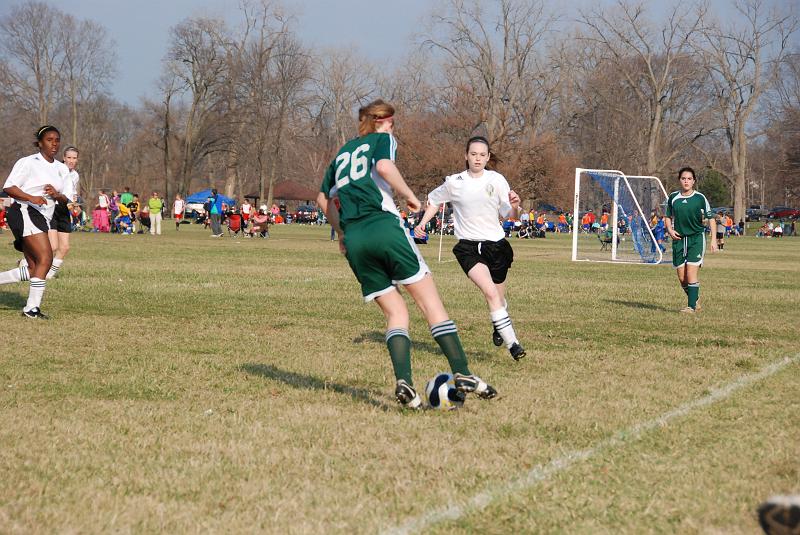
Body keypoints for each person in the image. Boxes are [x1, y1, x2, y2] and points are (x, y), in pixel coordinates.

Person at [317, 99, 496, 408]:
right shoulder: (382, 139)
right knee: (430, 305)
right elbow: (385, 167)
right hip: (384, 227)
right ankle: (463, 373)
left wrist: (342, 234)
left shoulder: (341, 155)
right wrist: (411, 196)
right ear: (379, 122)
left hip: (357, 240)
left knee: (396, 313)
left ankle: (404, 381)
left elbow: (322, 198)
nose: (393, 127)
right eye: (390, 122)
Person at [415, 136, 526, 361]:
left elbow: (510, 216)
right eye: (473, 154)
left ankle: (499, 324)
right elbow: (435, 200)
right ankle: (513, 344)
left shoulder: (496, 180)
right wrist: (422, 223)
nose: (477, 158)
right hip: (468, 247)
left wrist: (515, 206)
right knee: (490, 292)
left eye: (482, 155)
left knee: (498, 299)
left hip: (496, 247)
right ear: (466, 156)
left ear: (487, 157)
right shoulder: (455, 182)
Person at [0, 125, 74, 318]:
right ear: (39, 143)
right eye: (49, 140)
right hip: (24, 211)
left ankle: (30, 307)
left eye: (57, 140)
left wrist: (57, 195)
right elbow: (8, 187)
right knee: (46, 259)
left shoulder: (61, 168)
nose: (54, 144)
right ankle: (31, 309)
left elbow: (67, 199)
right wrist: (31, 198)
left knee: (34, 268)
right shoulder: (28, 162)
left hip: (43, 217)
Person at [665, 167, 717, 313]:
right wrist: (669, 229)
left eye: (689, 179)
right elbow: (667, 216)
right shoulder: (673, 197)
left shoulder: (700, 198)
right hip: (679, 240)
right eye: (683, 178)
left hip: (696, 239)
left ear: (693, 181)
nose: (686, 181)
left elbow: (711, 218)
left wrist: (713, 240)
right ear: (680, 180)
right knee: (682, 278)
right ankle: (695, 300)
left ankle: (691, 307)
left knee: (690, 274)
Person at [43, 145, 80, 279]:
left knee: (64, 248)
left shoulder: (75, 175)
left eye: (74, 158)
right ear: (64, 158)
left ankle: (49, 275)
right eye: (69, 157)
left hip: (64, 210)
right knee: (52, 246)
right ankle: (27, 263)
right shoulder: (56, 169)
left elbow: (72, 194)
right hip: (52, 208)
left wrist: (75, 204)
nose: (71, 160)